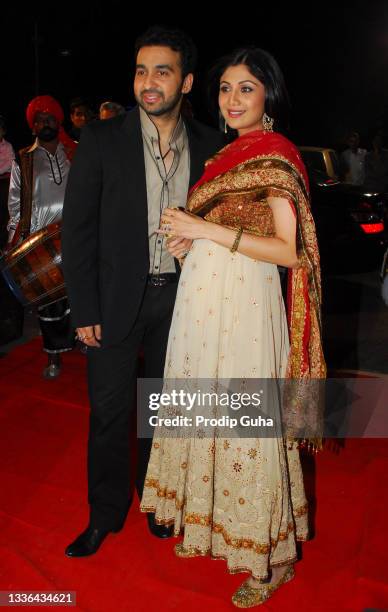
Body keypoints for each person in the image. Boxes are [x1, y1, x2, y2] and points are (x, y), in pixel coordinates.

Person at [140, 47, 326, 608]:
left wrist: (207, 230)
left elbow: (290, 252)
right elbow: (214, 230)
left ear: (268, 94)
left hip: (246, 307)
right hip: (202, 306)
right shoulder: (222, 157)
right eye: (224, 88)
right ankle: (224, 532)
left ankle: (269, 563)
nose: (233, 99)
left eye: (246, 88)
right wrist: (189, 238)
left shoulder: (276, 153)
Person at [61, 25, 224, 557]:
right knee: (108, 413)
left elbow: (221, 226)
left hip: (181, 301)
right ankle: (104, 513)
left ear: (187, 81)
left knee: (162, 408)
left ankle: (155, 500)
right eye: (140, 70)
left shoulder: (209, 145)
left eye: (162, 71)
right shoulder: (103, 139)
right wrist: (83, 306)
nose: (148, 82)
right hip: (112, 301)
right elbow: (77, 229)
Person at [7, 95, 77, 378]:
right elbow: (15, 203)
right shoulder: (23, 159)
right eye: (39, 120)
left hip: (76, 235)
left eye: (49, 118)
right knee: (50, 303)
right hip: (41, 242)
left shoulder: (74, 152)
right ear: (33, 126)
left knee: (81, 295)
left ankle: (83, 342)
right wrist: (16, 241)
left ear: (58, 122)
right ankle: (53, 356)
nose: (45, 123)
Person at [0, 116, 15, 248]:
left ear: (3, 131)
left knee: (6, 213)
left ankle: (7, 243)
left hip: (5, 182)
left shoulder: (8, 146)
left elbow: (11, 162)